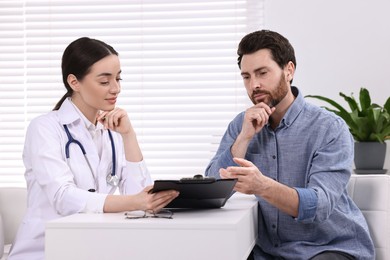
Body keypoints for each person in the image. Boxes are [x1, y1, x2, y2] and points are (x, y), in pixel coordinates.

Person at [205, 30, 375, 260]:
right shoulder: (242, 124)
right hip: (268, 252)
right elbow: (213, 188)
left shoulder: (329, 128)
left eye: (262, 73)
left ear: (289, 71)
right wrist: (244, 137)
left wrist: (262, 186)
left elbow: (320, 205)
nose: (254, 85)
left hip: (329, 248)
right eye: (246, 77)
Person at [8, 37, 179, 260]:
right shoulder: (45, 128)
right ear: (74, 82)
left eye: (118, 78)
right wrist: (136, 201)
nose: (116, 88)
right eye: (104, 81)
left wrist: (129, 136)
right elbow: (63, 196)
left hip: (91, 247)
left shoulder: (112, 131)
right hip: (44, 251)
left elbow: (138, 198)